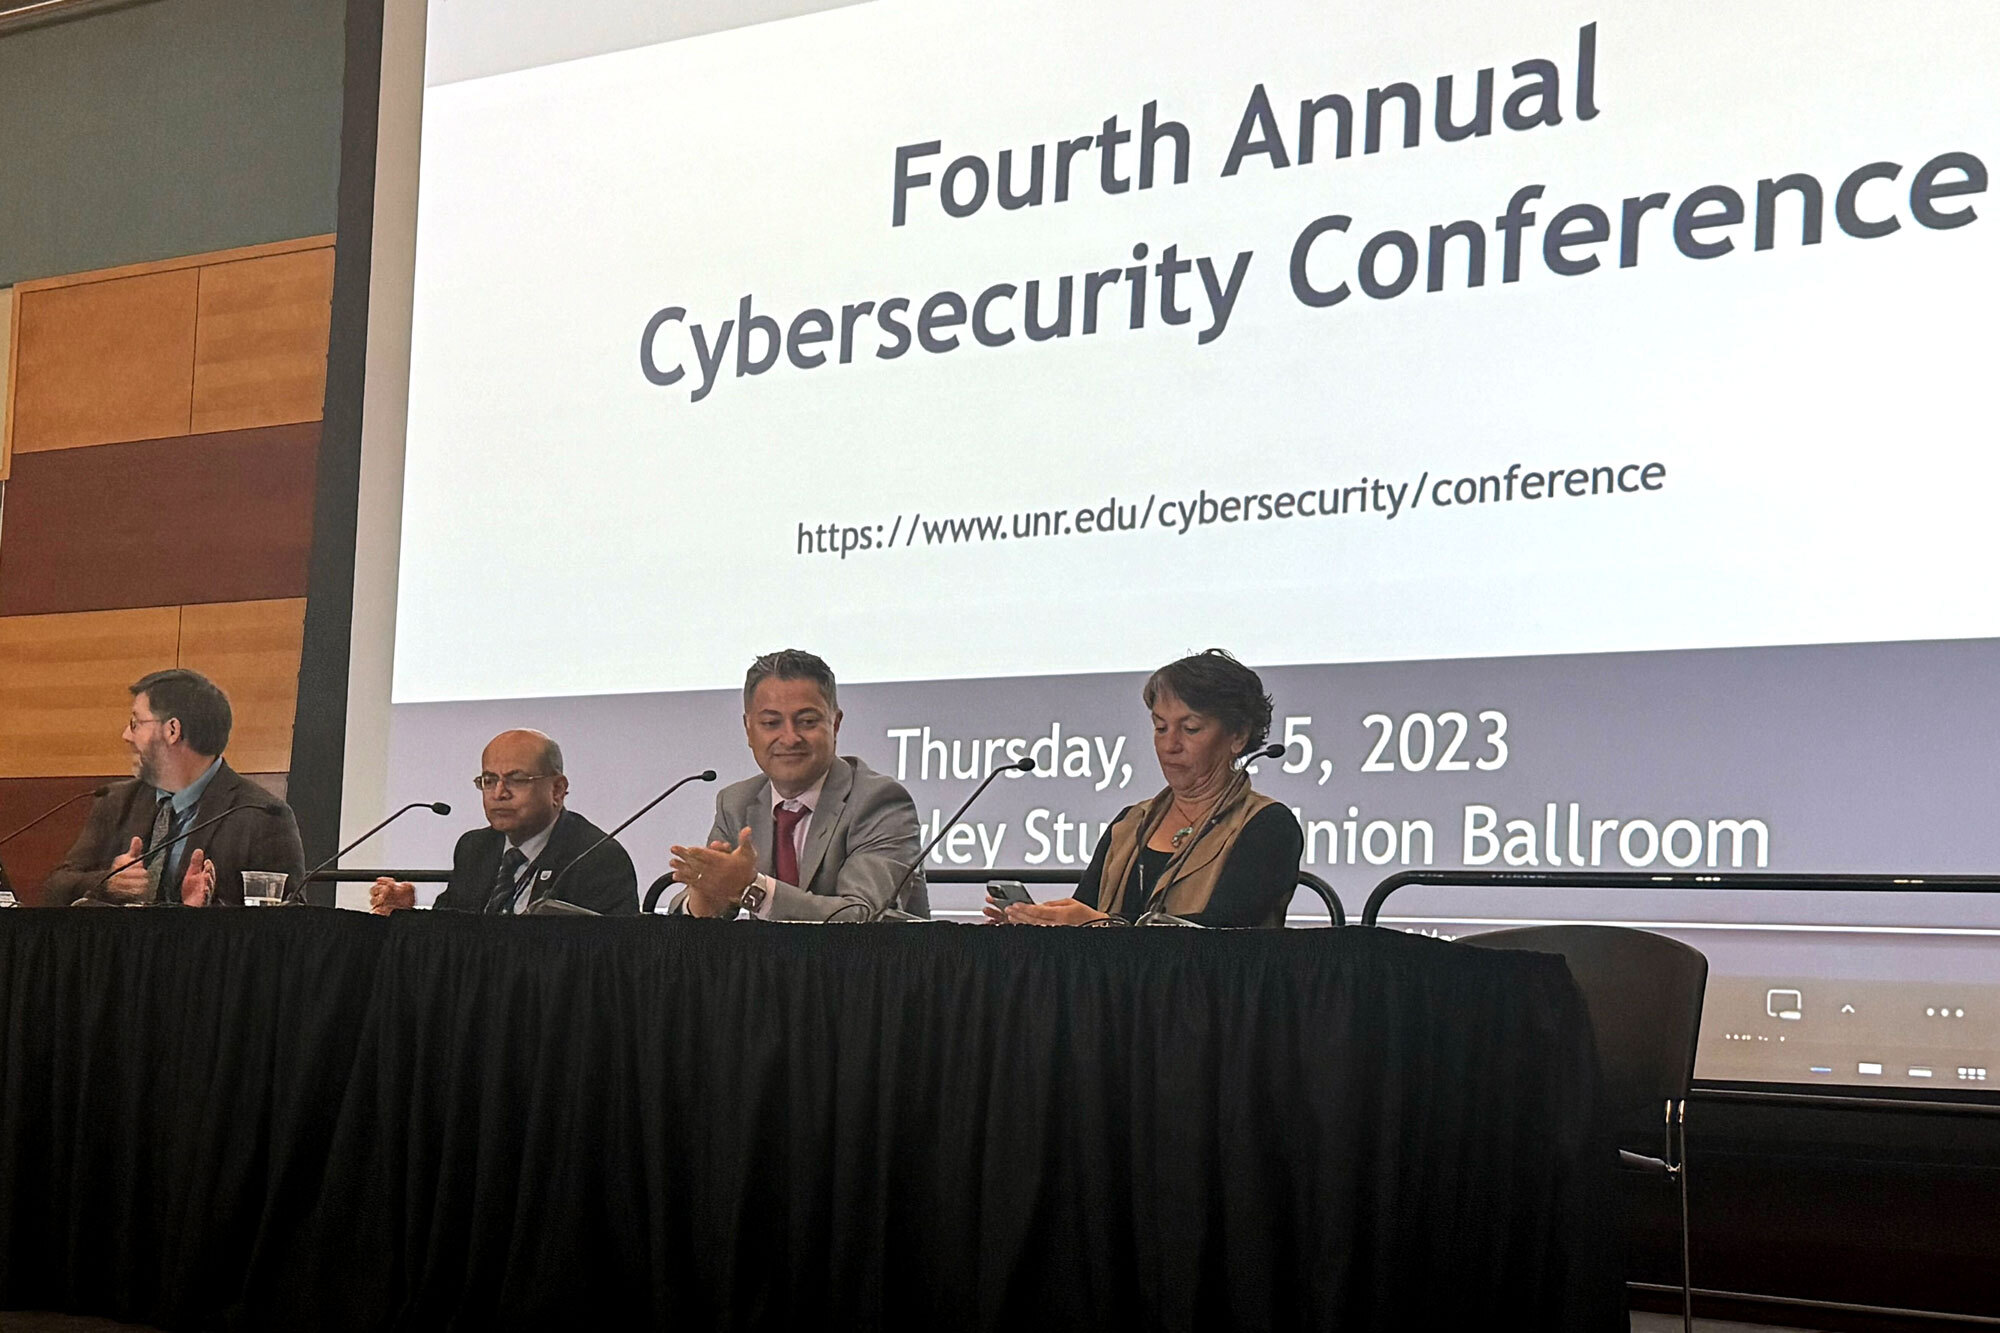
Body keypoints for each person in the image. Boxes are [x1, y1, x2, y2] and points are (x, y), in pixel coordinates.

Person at [985, 650, 1303, 927]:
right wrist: (1038, 922)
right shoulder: (1130, 824)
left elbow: (1219, 942)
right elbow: (1084, 912)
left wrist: (1103, 928)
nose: (1170, 744)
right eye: (1160, 727)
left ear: (1238, 735)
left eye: (1190, 728)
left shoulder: (1268, 825)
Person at [668, 649, 926, 921]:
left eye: (807, 721)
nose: (790, 738)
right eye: (771, 723)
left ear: (835, 724)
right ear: (748, 729)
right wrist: (705, 898)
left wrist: (752, 888)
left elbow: (862, 917)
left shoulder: (879, 801)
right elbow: (705, 907)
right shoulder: (736, 803)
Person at [46, 669, 306, 907]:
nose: (126, 734)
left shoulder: (262, 815)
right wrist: (107, 882)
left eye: (136, 722)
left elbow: (292, 922)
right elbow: (55, 889)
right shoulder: (115, 801)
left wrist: (201, 913)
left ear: (172, 730)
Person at [369, 729, 638, 915]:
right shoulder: (475, 847)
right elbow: (450, 932)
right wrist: (407, 914)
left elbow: (610, 961)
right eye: (489, 780)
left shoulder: (597, 857)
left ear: (557, 790)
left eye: (517, 780)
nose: (499, 793)